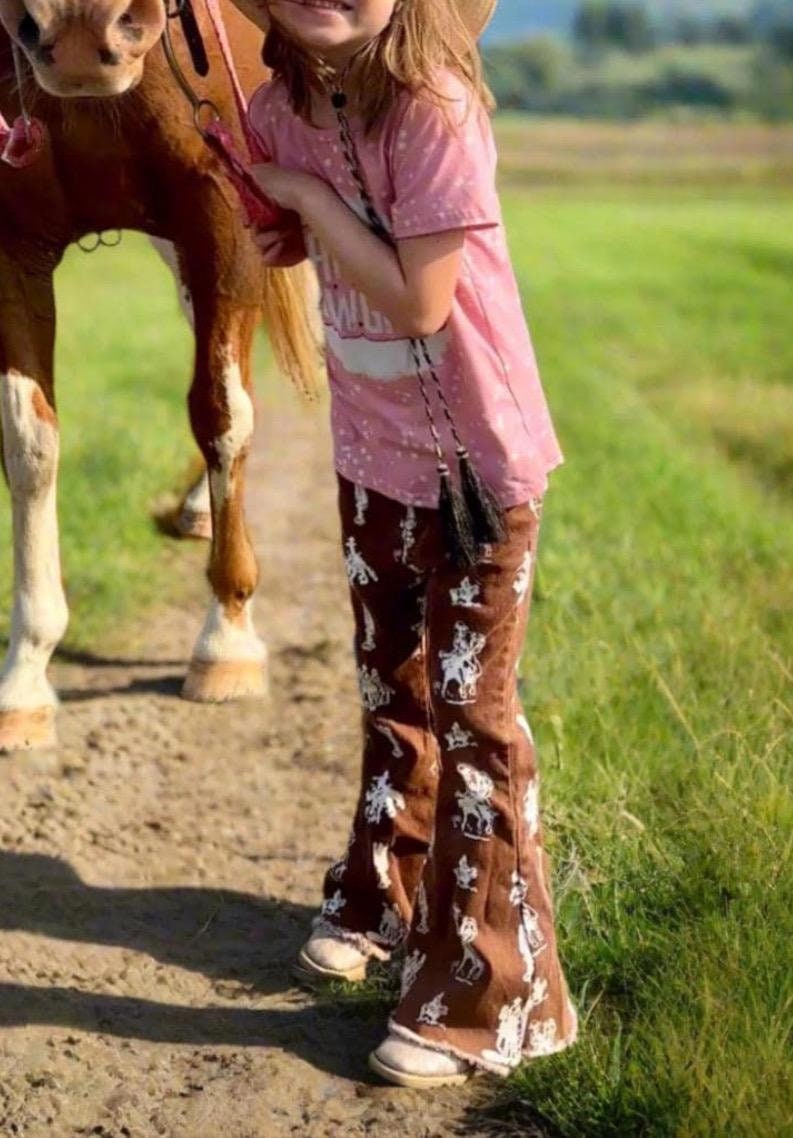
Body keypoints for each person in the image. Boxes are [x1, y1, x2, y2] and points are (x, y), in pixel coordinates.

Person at [241, 0, 578, 1088]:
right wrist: (279, 218)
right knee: (390, 687)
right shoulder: (276, 106)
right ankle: (388, 897)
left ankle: (486, 995)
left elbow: (422, 297)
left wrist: (301, 198)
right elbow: (294, 239)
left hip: (472, 468)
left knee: (474, 718)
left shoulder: (431, 105)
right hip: (370, 453)